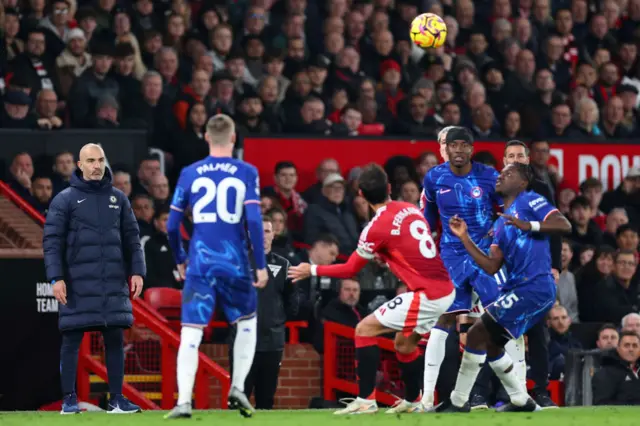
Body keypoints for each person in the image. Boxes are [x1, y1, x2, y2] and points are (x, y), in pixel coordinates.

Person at [288, 163, 455, 415]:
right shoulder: (409, 208)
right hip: (444, 289)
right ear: (389, 188)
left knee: (364, 329)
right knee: (404, 345)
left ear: (361, 195)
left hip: (427, 295)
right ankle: (413, 400)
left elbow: (348, 270)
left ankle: (365, 400)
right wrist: (388, 256)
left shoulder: (374, 228)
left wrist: (310, 270)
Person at [442, 162, 571, 412]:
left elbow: (564, 224)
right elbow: (491, 266)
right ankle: (521, 400)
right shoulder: (500, 224)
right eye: (500, 174)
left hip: (535, 285)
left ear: (523, 182)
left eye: (508, 174)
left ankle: (458, 402)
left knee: (478, 332)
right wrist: (465, 238)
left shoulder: (531, 201)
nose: (501, 176)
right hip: (519, 289)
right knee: (491, 343)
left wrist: (529, 226)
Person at [164, 114, 268, 419]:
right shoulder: (247, 171)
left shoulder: (190, 172)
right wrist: (259, 264)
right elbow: (253, 220)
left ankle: (183, 400)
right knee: (247, 321)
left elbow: (172, 225)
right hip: (235, 263)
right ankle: (237, 387)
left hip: (200, 262)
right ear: (234, 139)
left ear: (207, 138)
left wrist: (180, 259)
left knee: (191, 331)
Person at [43, 143, 145, 415]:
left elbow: (132, 239)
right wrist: (56, 277)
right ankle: (68, 401)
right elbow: (52, 243)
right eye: (90, 161)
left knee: (114, 339)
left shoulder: (119, 199)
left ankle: (116, 400)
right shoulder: (64, 200)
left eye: (100, 160)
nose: (97, 165)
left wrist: (137, 271)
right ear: (80, 164)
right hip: (76, 283)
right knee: (71, 340)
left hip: (112, 282)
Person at [421, 127, 513, 411]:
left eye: (464, 145)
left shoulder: (489, 176)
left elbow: (508, 209)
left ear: (472, 149)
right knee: (444, 319)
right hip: (451, 257)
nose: (459, 150)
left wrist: (497, 235)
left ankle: (516, 394)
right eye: (453, 145)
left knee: (500, 321)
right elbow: (427, 218)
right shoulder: (434, 178)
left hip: (485, 257)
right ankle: (426, 398)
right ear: (445, 149)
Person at [502, 139, 562, 407]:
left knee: (537, 331)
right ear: (504, 160)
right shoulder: (497, 188)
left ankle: (539, 390)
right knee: (497, 329)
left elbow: (556, 227)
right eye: (510, 155)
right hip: (501, 269)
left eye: (519, 155)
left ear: (527, 160)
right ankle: (502, 393)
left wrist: (556, 265)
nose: (515, 159)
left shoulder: (539, 188)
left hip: (533, 270)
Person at [230, 215, 301, 410]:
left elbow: (292, 301)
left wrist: (276, 320)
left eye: (267, 231)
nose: (263, 236)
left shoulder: (284, 265)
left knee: (266, 400)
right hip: (242, 341)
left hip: (272, 342)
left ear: (274, 234)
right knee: (238, 400)